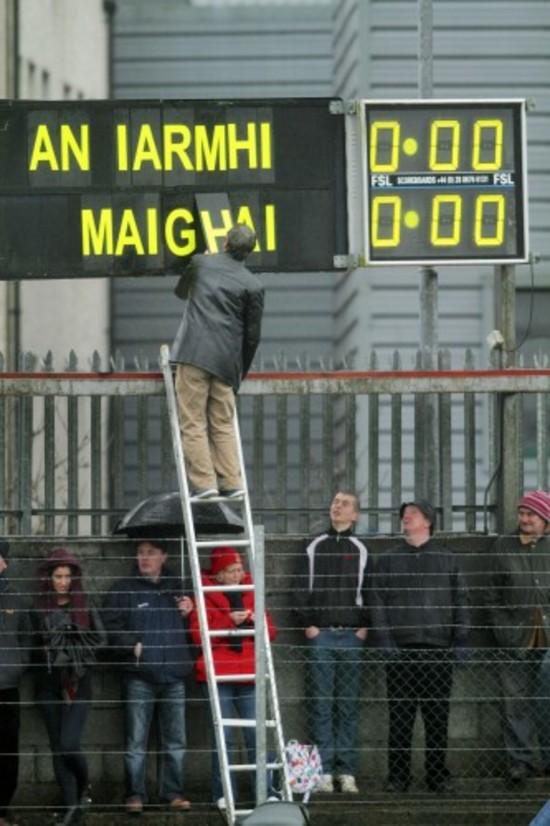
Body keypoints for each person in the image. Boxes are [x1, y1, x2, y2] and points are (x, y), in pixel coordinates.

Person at [369, 500, 470, 794]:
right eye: (403, 515)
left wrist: (461, 639)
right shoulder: (388, 560)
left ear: (428, 521)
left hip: (438, 649)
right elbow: (377, 602)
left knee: (437, 718)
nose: (405, 518)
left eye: (411, 514)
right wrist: (386, 641)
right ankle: (398, 776)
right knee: (399, 718)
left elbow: (461, 600)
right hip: (400, 650)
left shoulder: (447, 559)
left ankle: (437, 775)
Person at [171, 222, 264, 500]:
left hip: (194, 355)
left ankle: (205, 484)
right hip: (227, 363)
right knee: (222, 423)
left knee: (193, 422)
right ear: (249, 252)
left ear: (226, 241)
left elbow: (180, 292)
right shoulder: (254, 285)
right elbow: (252, 336)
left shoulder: (200, 264)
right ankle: (232, 482)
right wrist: (239, 372)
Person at [102, 538, 194, 814]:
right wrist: (132, 644)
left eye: (151, 553)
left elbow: (200, 627)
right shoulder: (123, 589)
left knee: (175, 741)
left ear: (164, 557)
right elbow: (108, 627)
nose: (144, 558)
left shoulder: (178, 588)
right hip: (139, 676)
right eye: (140, 553)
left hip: (175, 675)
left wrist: (191, 611)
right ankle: (135, 796)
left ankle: (173, 794)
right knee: (135, 741)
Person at [188, 545, 276, 811]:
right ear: (218, 575)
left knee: (256, 735)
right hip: (220, 675)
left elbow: (271, 631)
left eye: (239, 568)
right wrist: (229, 623)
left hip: (249, 672)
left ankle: (267, 790)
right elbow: (197, 634)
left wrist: (250, 622)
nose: (238, 574)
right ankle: (224, 792)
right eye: (231, 570)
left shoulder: (251, 592)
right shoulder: (203, 595)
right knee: (222, 737)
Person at [294, 491, 369, 794]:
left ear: (356, 516)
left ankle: (346, 771)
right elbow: (299, 588)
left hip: (352, 637)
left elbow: (372, 590)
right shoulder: (312, 546)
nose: (337, 506)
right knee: (321, 704)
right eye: (335, 502)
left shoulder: (362, 549)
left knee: (348, 707)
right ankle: (323, 771)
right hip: (321, 635)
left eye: (345, 504)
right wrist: (308, 625)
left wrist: (364, 627)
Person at [31, 547, 106, 826]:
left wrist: (77, 648)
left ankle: (84, 787)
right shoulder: (39, 607)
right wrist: (48, 649)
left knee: (68, 743)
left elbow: (102, 640)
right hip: (48, 683)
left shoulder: (84, 605)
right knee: (56, 748)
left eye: (67, 576)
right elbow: (30, 646)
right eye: (57, 576)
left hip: (78, 682)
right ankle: (71, 809)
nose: (63, 581)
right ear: (48, 578)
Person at [484, 489, 550, 785]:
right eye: (522, 513)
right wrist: (503, 630)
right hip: (515, 637)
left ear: (545, 519)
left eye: (531, 515)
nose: (524, 519)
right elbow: (492, 594)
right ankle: (520, 763)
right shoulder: (504, 546)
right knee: (515, 702)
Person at [0, 540, 31, 826]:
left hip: (7, 687)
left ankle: (3, 808)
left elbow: (26, 638)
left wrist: (16, 666)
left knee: (8, 749)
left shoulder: (15, 598)